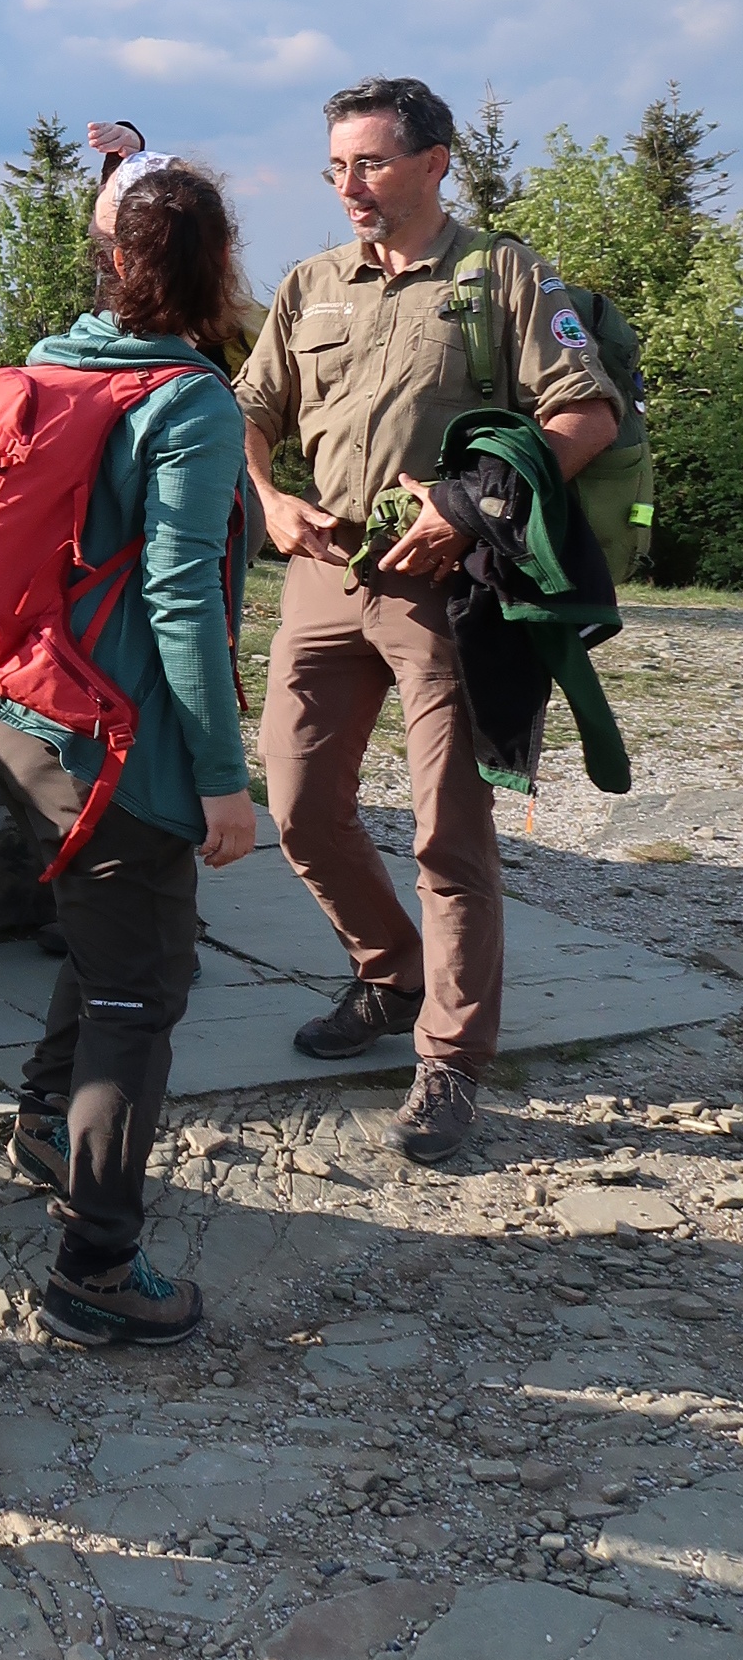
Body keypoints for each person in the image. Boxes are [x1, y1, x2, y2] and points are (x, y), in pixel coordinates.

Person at [237, 79, 620, 1167]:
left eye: (367, 164)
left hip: (449, 591)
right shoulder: (311, 285)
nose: (349, 187)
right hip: (323, 576)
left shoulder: (498, 274)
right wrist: (267, 498)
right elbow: (247, 409)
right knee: (301, 808)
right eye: (334, 169)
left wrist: (462, 507)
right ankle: (388, 972)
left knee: (447, 834)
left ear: (432, 162)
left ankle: (449, 1063)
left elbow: (582, 414)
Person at [0, 166, 256, 1348]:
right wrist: (224, 779)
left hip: (9, 709)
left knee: (107, 924)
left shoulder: (50, 363)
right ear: (216, 260)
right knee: (142, 987)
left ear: (107, 257)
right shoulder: (188, 403)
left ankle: (45, 1120)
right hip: (113, 733)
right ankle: (96, 1266)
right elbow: (183, 597)